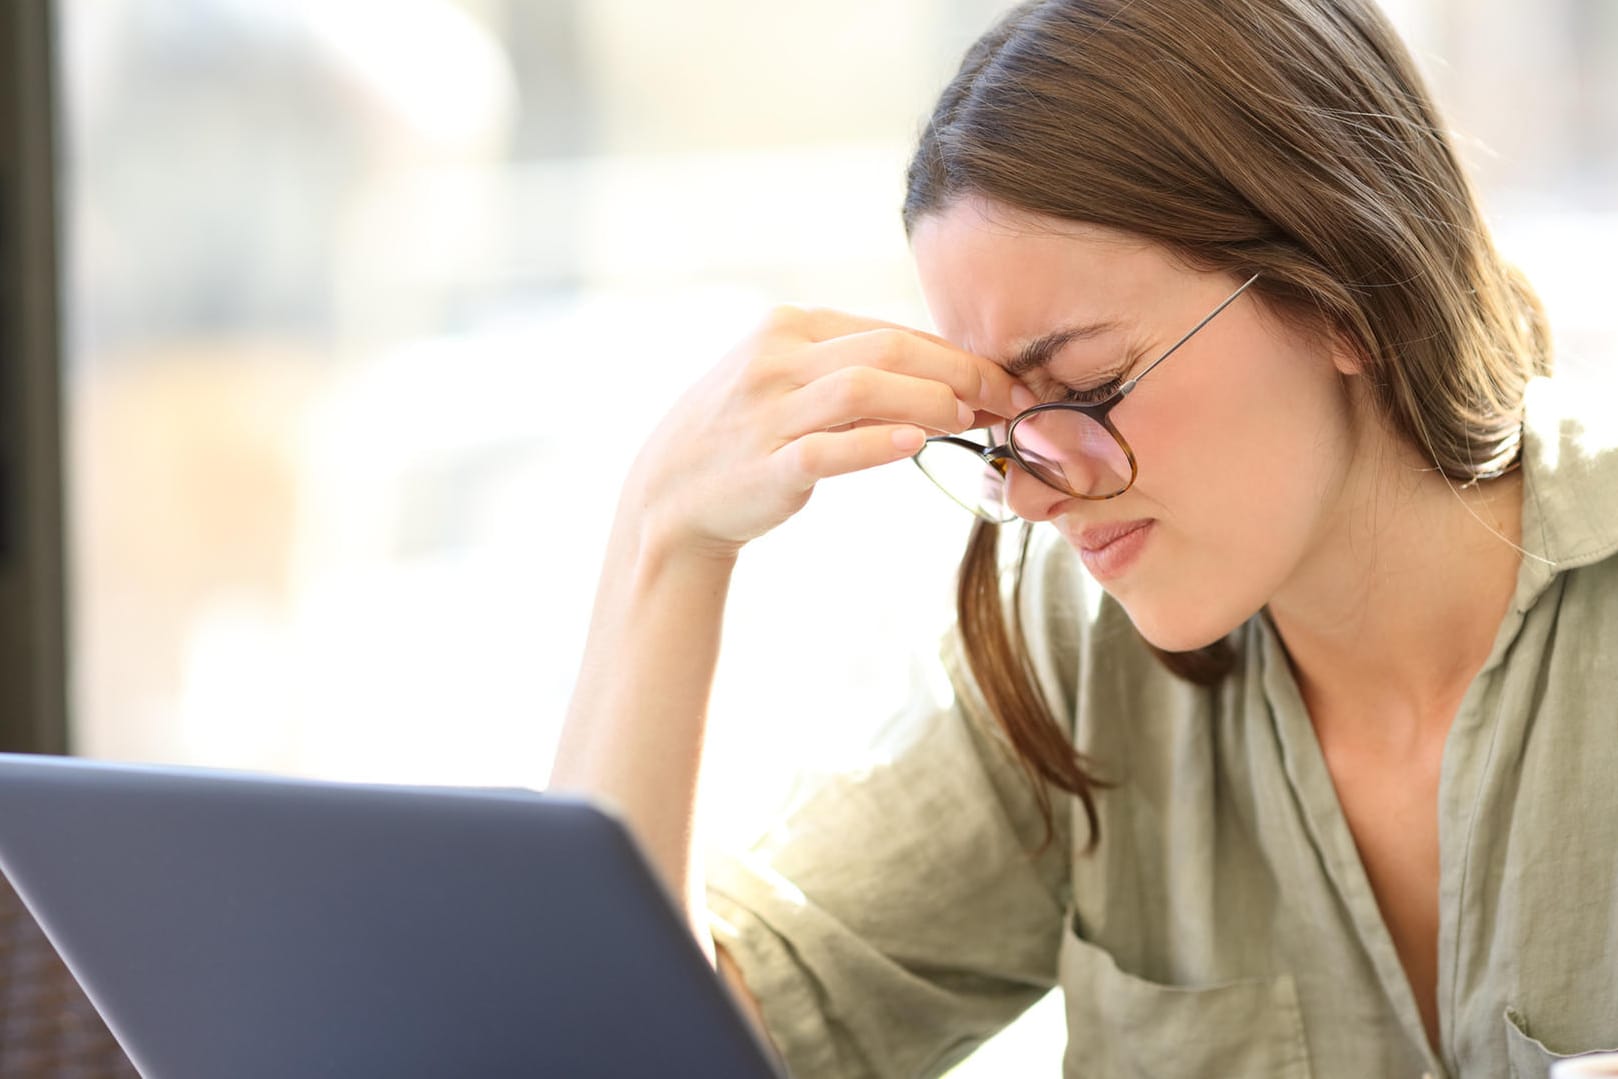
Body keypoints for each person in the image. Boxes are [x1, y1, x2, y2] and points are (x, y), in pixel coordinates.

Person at [550, 1, 1618, 1075]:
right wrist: (665, 542)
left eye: (1090, 386)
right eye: (999, 427)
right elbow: (613, 1050)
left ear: (1342, 289)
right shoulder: (1071, 661)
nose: (1034, 494)